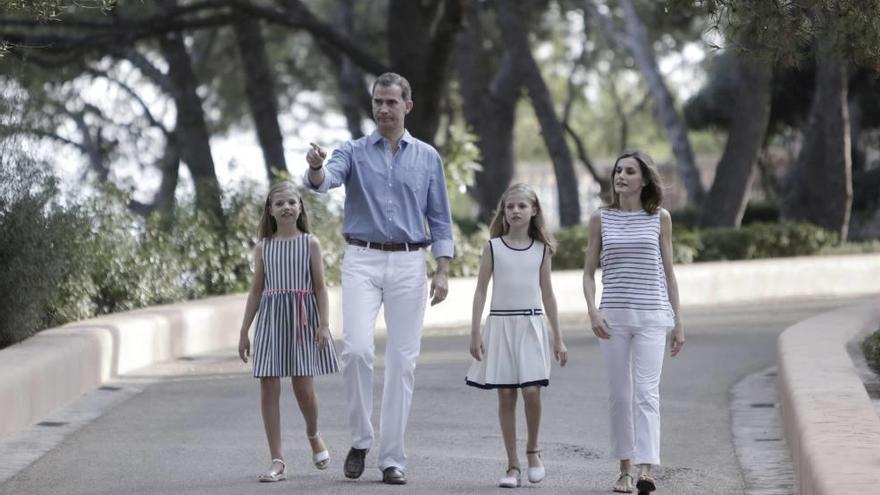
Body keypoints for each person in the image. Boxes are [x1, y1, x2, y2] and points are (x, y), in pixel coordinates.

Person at [303, 72, 454, 485]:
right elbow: (323, 182)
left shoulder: (427, 157)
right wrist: (316, 169)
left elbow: (440, 217)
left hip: (409, 263)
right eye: (378, 102)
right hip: (362, 260)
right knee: (355, 351)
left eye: (391, 102)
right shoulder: (351, 151)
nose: (384, 109)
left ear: (408, 106)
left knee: (402, 363)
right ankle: (360, 438)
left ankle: (392, 458)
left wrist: (442, 269)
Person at [582, 151, 686, 494]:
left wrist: (679, 321)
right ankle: (624, 470)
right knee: (619, 394)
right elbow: (588, 274)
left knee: (646, 393)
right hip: (613, 318)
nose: (621, 176)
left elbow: (669, 274)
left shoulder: (660, 219)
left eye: (629, 171)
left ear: (644, 180)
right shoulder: (601, 218)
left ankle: (646, 470)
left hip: (653, 316)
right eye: (618, 171)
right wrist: (592, 311)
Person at [465, 183, 568, 488]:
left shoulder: (542, 250)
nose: (515, 211)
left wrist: (558, 338)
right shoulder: (493, 247)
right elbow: (481, 290)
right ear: (504, 212)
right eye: (510, 207)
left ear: (534, 210)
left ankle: (533, 450)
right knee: (506, 394)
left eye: (522, 206)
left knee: (532, 390)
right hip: (500, 326)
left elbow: (548, 295)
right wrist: (475, 332)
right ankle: (512, 466)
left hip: (532, 326)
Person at [237, 181, 339, 483]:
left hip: (302, 319)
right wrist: (244, 332)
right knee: (268, 387)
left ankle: (313, 433)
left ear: (300, 208)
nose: (286, 207)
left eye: (292, 202)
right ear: (270, 210)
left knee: (304, 391)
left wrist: (323, 323)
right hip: (270, 320)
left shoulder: (310, 243)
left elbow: (320, 287)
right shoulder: (263, 247)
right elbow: (256, 292)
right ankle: (277, 460)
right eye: (279, 203)